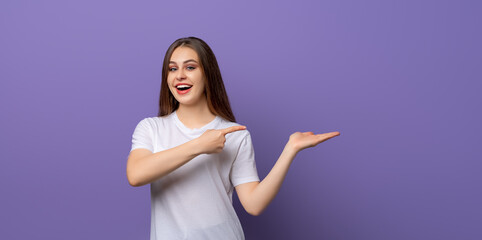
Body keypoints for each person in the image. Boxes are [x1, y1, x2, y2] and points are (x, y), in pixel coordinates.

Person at [126, 36, 340, 240]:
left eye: (190, 67)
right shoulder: (151, 128)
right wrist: (199, 145)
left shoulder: (235, 135)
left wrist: (290, 150)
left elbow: (254, 205)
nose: (180, 75)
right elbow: (136, 175)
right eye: (173, 69)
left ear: (208, 74)